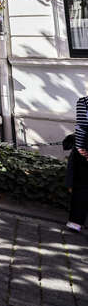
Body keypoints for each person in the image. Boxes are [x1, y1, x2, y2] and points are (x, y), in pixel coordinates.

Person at [67, 89, 88, 233]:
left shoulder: (84, 102)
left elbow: (81, 126)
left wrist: (80, 148)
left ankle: (76, 222)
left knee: (82, 186)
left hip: (86, 149)